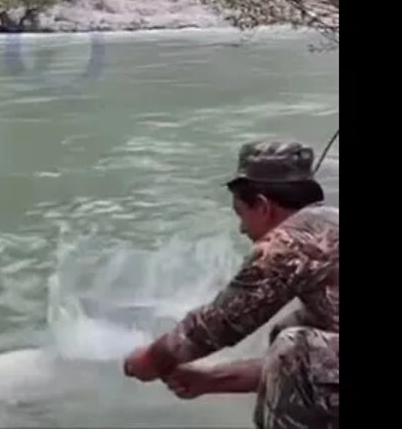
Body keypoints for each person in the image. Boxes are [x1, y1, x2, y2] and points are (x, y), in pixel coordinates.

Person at [122, 140, 339, 429]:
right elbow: (317, 366)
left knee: (294, 347)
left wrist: (151, 359)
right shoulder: (329, 224)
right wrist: (212, 381)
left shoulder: (293, 241)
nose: (241, 228)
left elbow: (217, 325)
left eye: (241, 213)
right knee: (289, 332)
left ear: (262, 206)